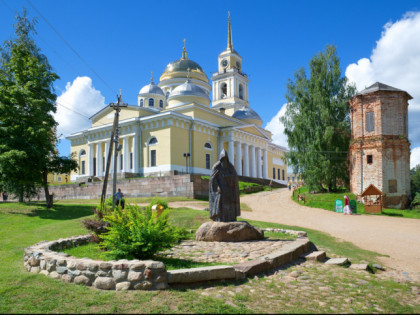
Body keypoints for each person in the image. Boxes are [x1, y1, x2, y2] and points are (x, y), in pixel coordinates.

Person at [209, 149, 240, 222]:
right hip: (221, 190)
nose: (224, 162)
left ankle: (231, 218)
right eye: (223, 159)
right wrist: (217, 187)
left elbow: (234, 176)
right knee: (221, 204)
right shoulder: (216, 167)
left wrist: (230, 177)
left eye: (226, 159)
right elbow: (213, 179)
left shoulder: (230, 167)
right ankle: (220, 218)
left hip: (229, 190)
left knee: (230, 205)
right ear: (221, 159)